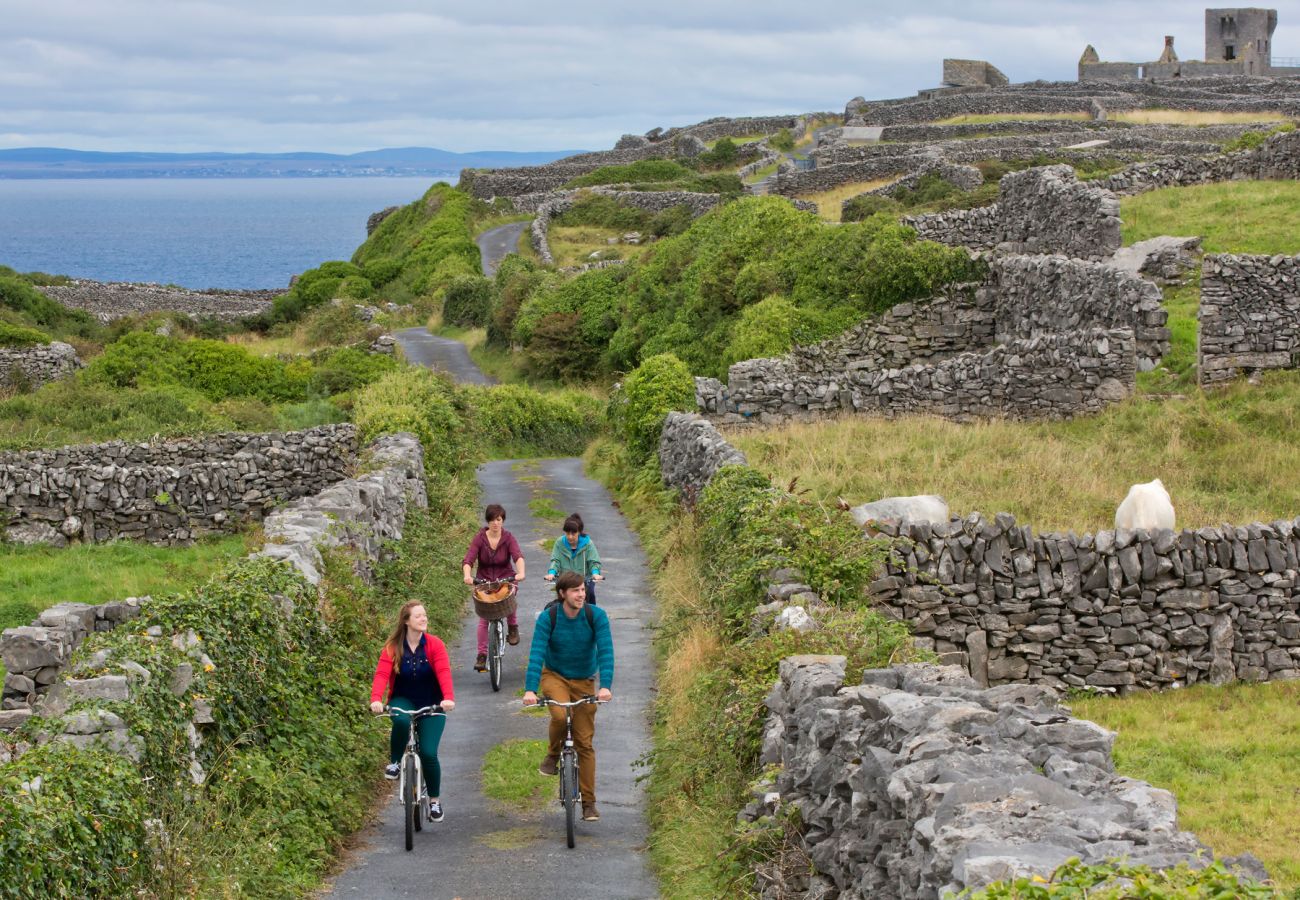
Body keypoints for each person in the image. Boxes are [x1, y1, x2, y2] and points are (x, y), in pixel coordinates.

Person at [522, 571, 614, 822]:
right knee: (560, 715)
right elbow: (536, 653)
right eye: (575, 590)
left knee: (584, 743)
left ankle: (589, 804)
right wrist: (530, 690)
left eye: (583, 589)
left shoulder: (596, 616)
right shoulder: (548, 618)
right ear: (562, 593)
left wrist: (605, 686)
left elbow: (606, 651)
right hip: (555, 675)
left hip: (584, 680)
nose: (581, 594)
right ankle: (553, 754)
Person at [369, 600, 455, 822]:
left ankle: (434, 802)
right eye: (418, 616)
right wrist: (376, 699)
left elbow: (444, 671)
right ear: (406, 621)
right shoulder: (392, 647)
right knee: (400, 721)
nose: (424, 619)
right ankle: (395, 762)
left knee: (428, 752)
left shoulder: (435, 645)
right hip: (404, 699)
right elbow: (381, 675)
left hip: (432, 702)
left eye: (424, 615)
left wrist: (447, 698)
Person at [462, 503, 525, 672]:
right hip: (484, 581)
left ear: (503, 520)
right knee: (484, 617)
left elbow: (517, 556)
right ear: (488, 522)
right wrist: (467, 575)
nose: (495, 523)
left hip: (505, 577)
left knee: (508, 595)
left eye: (498, 519)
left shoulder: (508, 538)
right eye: (492, 520)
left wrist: (520, 572)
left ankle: (512, 627)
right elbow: (468, 559)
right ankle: (482, 655)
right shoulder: (480, 538)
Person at [544, 513, 604, 603]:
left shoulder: (588, 544)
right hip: (566, 581)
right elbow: (555, 561)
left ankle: (592, 616)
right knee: (562, 601)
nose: (570, 536)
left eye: (573, 533)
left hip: (584, 580)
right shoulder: (559, 543)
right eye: (567, 533)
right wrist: (552, 573)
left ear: (579, 532)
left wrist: (595, 573)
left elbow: (593, 562)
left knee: (590, 595)